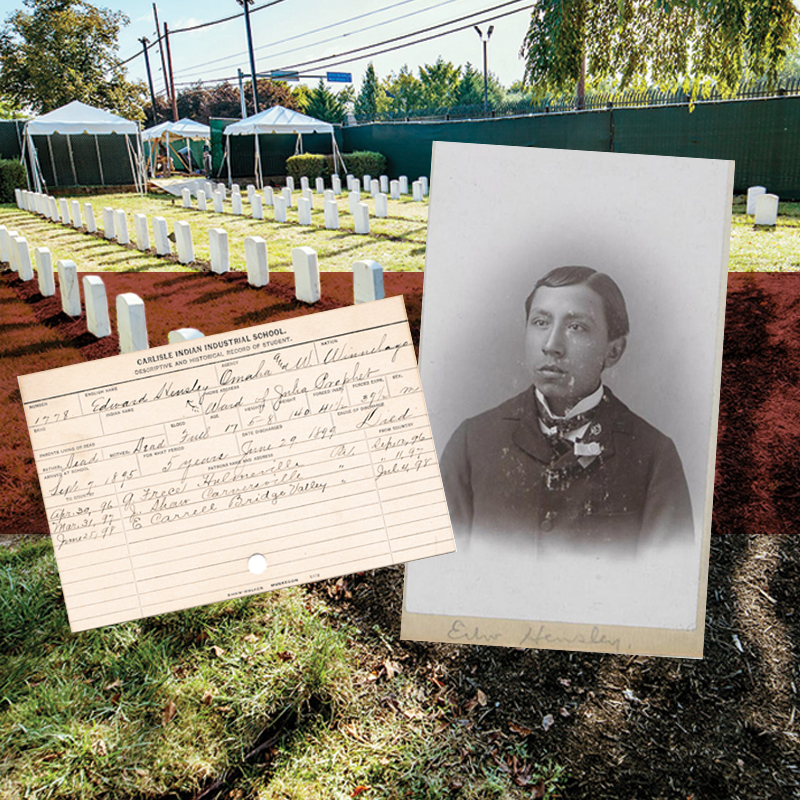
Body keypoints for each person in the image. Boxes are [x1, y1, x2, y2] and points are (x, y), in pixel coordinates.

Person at [439, 265, 694, 556]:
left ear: (614, 351)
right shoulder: (473, 441)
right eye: (540, 322)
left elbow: (665, 584)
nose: (551, 345)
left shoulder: (653, 456)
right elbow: (439, 573)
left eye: (577, 327)